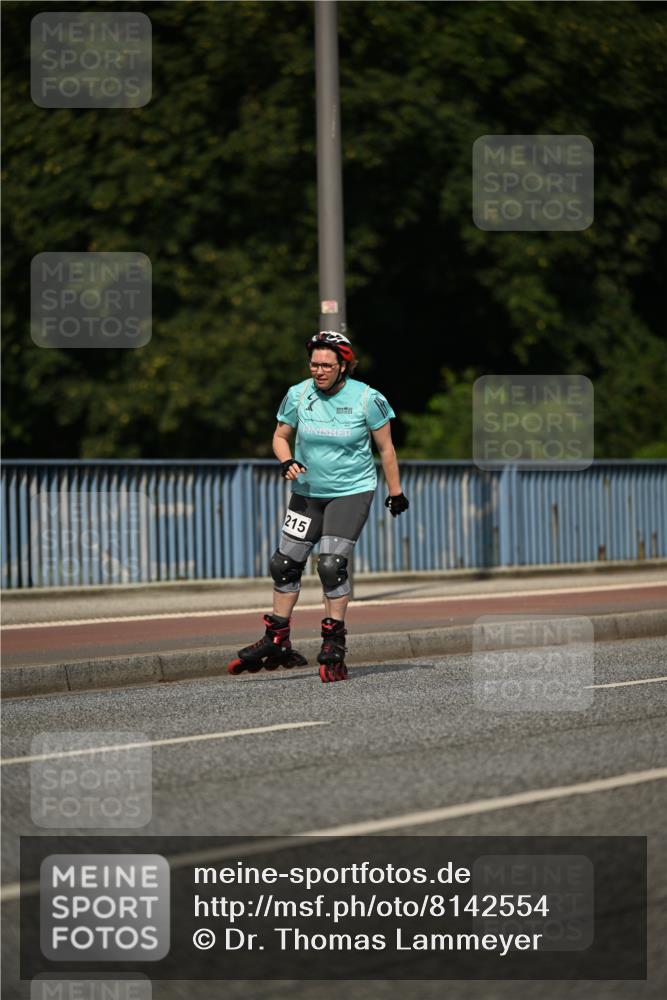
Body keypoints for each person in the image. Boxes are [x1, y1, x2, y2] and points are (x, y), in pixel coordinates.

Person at [227, 331, 409, 683]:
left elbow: (386, 448)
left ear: (344, 366)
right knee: (283, 564)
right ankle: (277, 638)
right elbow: (281, 437)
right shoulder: (298, 394)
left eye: (327, 365)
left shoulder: (367, 398)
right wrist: (286, 461)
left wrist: (395, 492)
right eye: (314, 364)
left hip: (350, 492)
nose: (319, 371)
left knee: (330, 564)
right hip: (308, 491)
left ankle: (333, 643)